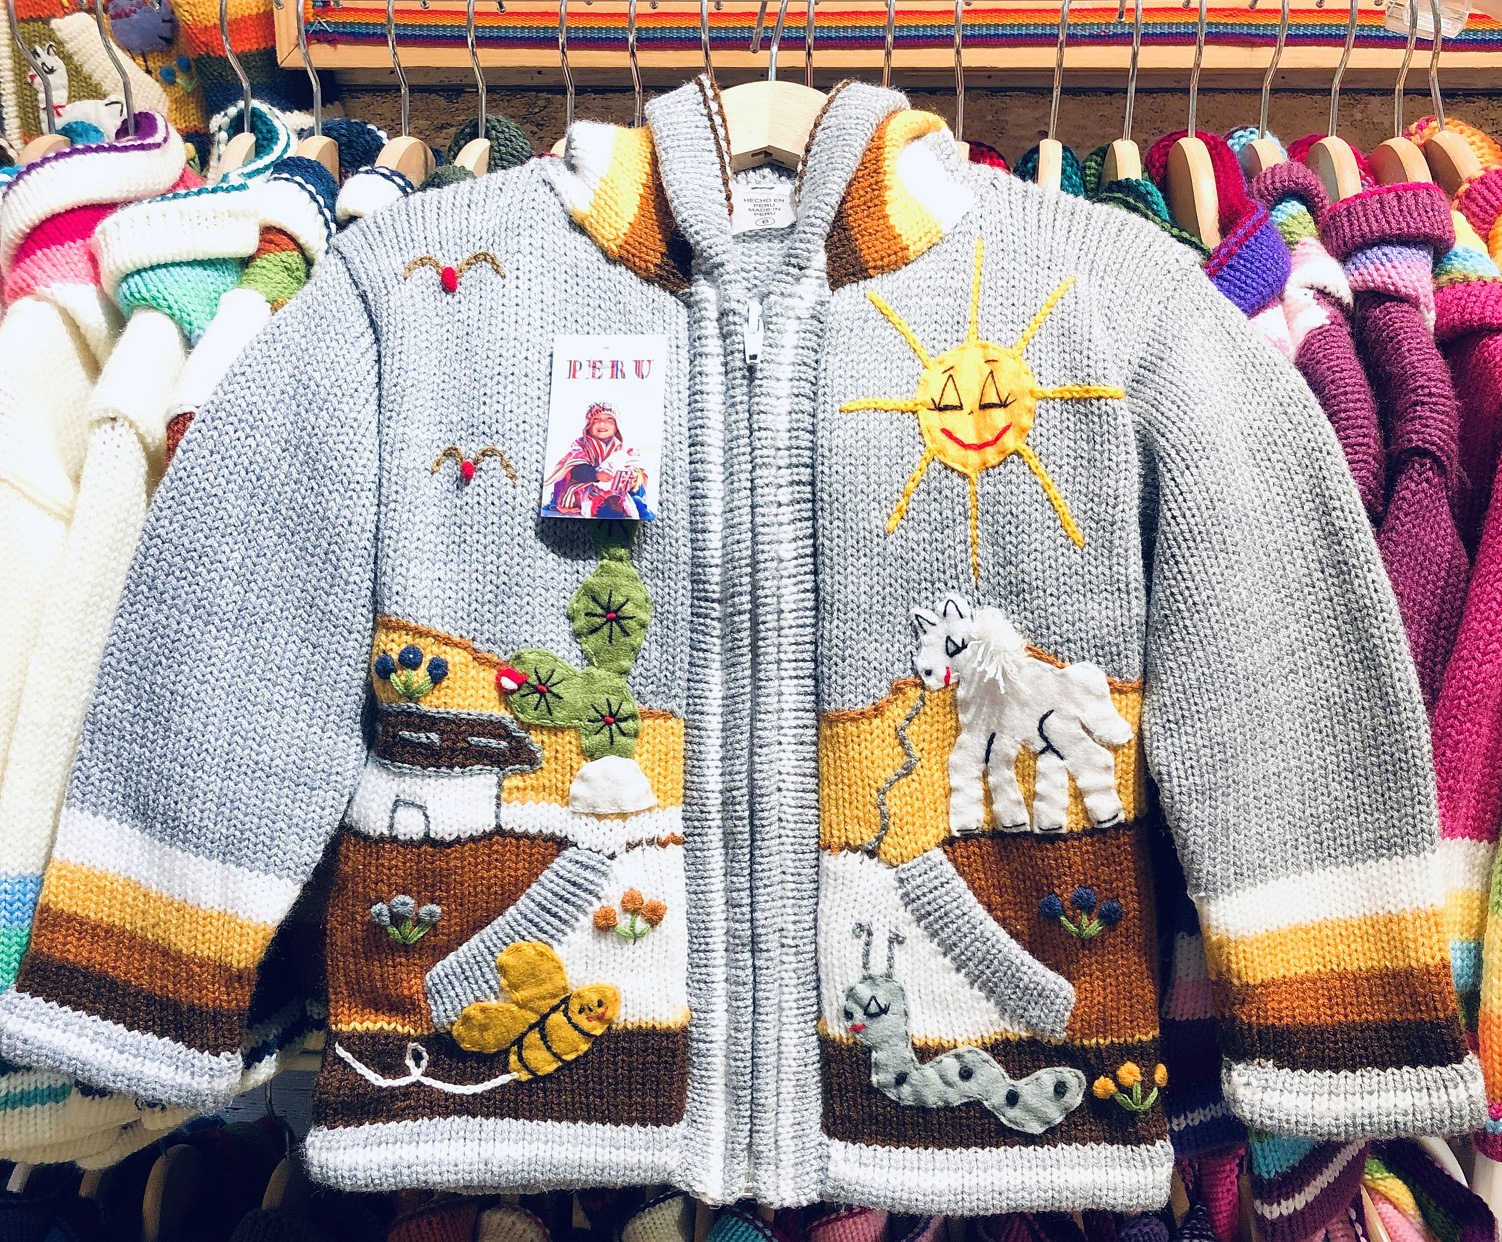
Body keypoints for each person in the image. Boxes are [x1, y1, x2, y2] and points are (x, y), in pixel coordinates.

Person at [542, 403, 653, 519]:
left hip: (619, 487)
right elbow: (573, 469)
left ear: (617, 425)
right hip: (588, 486)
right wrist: (596, 474)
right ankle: (607, 509)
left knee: (636, 488)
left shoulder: (624, 447)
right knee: (601, 506)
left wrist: (633, 476)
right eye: (596, 419)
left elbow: (636, 465)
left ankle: (637, 504)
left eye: (609, 419)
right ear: (588, 425)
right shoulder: (582, 445)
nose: (602, 424)